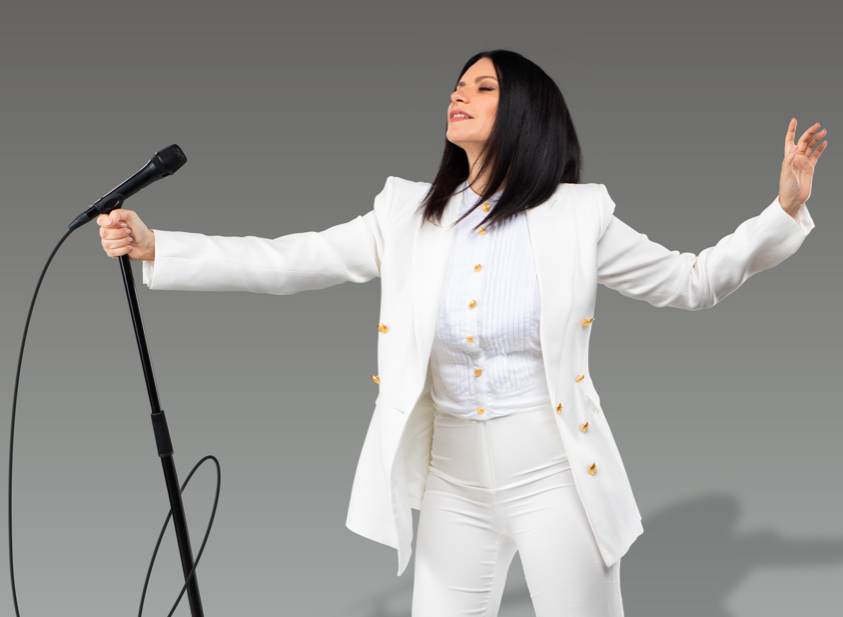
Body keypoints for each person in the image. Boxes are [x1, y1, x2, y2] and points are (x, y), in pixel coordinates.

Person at [97, 50, 827, 617]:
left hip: (556, 477)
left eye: (482, 86)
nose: (459, 94)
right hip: (452, 483)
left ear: (524, 113)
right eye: (457, 85)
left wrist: (783, 210)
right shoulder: (405, 214)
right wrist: (161, 247)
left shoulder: (578, 218)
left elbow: (692, 281)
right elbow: (290, 259)